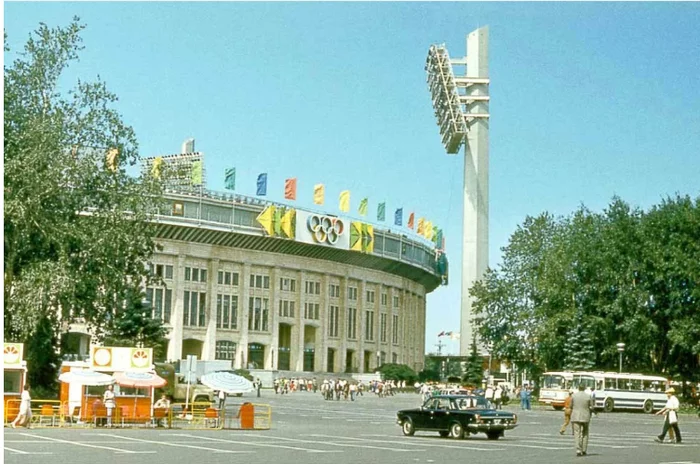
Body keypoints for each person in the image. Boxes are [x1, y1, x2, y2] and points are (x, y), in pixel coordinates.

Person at [571, 383, 595, 457]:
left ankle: (578, 450)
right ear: (584, 388)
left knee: (577, 433)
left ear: (578, 388)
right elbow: (591, 406)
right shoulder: (588, 396)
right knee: (585, 433)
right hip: (585, 416)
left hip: (575, 416)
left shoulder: (574, 396)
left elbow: (570, 406)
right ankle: (584, 450)